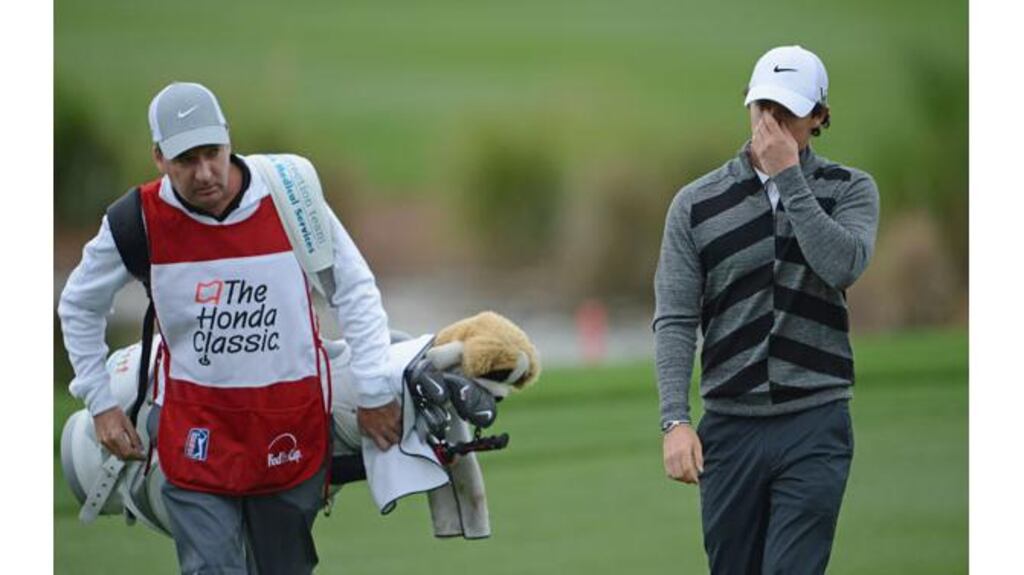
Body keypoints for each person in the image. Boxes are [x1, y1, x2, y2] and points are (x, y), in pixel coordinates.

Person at [58, 82, 400, 574]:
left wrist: (373, 389)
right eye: (185, 160)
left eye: (212, 153)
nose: (204, 174)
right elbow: (78, 305)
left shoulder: (289, 195)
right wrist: (101, 404)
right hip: (196, 438)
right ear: (158, 158)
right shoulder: (137, 221)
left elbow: (354, 288)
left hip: (290, 430)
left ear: (228, 139)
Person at [653, 46, 879, 574]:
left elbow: (841, 266)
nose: (772, 124)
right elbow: (676, 319)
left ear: (820, 116)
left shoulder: (849, 190)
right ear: (747, 105)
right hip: (730, 430)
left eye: (789, 113)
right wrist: (675, 422)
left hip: (815, 422)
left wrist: (789, 179)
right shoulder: (695, 204)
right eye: (764, 109)